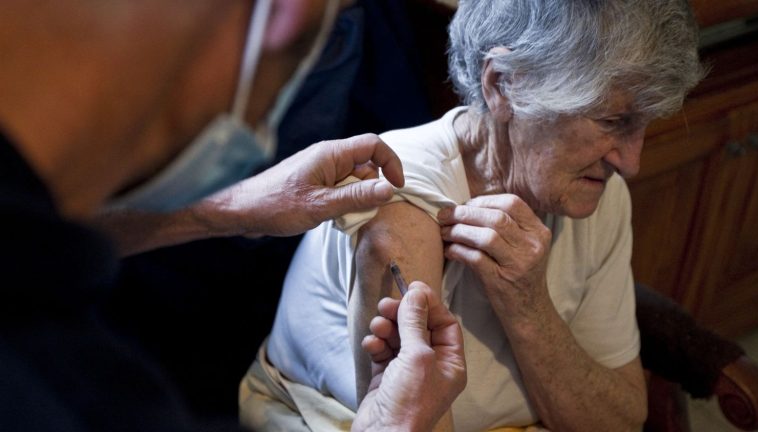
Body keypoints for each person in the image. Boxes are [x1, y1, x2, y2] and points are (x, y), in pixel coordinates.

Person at [0, 0, 465, 430]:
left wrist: (232, 209)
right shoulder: (70, 399)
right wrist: (393, 426)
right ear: (289, 16)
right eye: (302, 65)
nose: (261, 130)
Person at [252, 0, 706, 430]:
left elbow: (621, 420)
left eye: (644, 125)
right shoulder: (399, 206)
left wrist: (529, 305)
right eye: (612, 121)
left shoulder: (594, 189)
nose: (632, 163)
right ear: (503, 84)